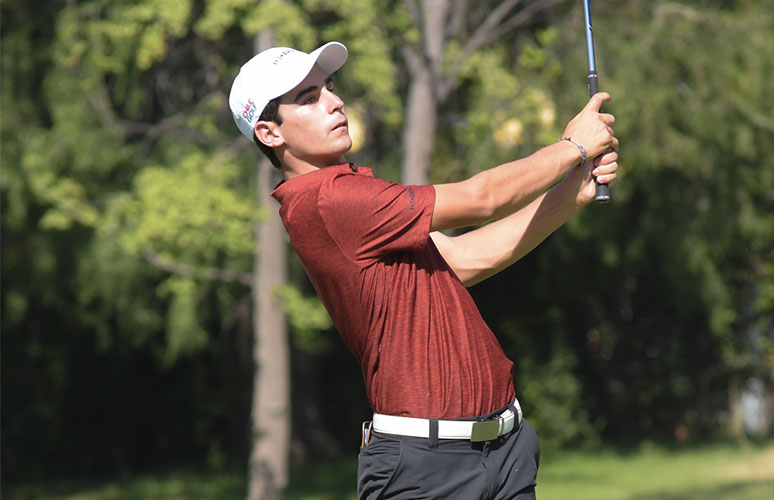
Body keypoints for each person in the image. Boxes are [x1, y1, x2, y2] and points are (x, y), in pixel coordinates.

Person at [229, 41, 619, 500]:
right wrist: (572, 147)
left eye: (329, 88)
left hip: (505, 455)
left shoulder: (354, 189)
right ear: (270, 134)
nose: (335, 102)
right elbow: (482, 199)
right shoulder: (327, 201)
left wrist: (571, 195)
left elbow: (462, 260)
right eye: (309, 98)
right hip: (427, 470)